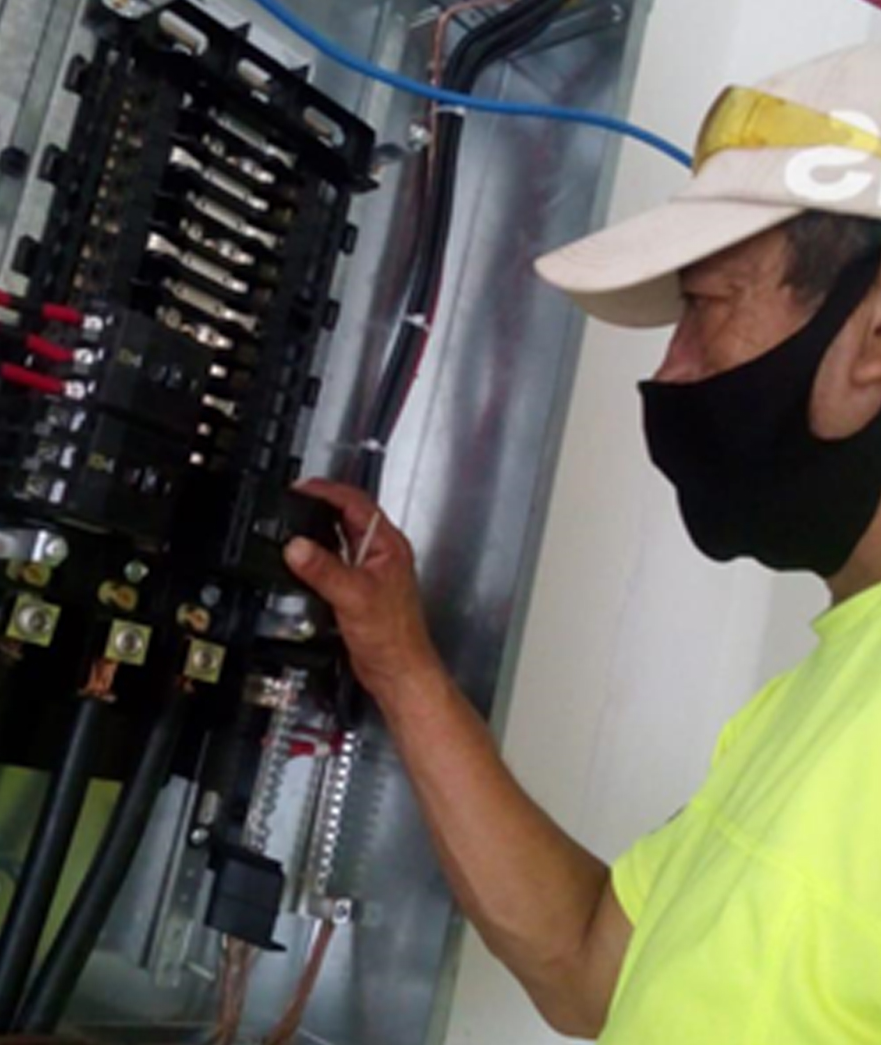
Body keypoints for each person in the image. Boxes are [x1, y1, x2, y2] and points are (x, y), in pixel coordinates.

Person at [285, 43, 881, 1043]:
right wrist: (400, 664)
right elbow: (592, 966)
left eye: (704, 307)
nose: (671, 372)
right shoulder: (820, 693)